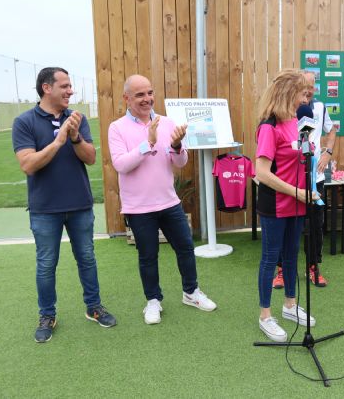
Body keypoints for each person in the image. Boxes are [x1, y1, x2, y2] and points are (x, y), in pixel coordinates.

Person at [12, 67, 117, 343]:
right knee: (46, 264)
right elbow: (28, 164)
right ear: (47, 88)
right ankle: (47, 315)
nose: (71, 91)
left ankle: (93, 307)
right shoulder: (24, 122)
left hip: (80, 206)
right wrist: (58, 142)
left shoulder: (77, 119)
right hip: (45, 209)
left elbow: (91, 158)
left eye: (71, 86)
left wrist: (74, 137)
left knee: (87, 259)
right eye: (65, 86)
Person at [108, 74, 216, 325]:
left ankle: (191, 292)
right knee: (148, 256)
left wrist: (177, 146)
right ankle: (153, 301)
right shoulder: (117, 128)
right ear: (126, 98)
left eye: (149, 93)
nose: (147, 99)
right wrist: (148, 143)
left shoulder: (167, 123)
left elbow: (179, 162)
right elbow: (121, 164)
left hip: (169, 202)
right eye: (139, 95)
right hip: (138, 207)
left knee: (186, 248)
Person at [255, 68, 318, 342]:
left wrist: (317, 164)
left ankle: (290, 305)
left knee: (292, 255)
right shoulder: (268, 126)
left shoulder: (300, 120)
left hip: (299, 201)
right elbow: (262, 173)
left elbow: (305, 157)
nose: (308, 95)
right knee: (271, 258)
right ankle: (265, 316)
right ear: (288, 92)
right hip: (276, 204)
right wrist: (296, 192)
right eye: (303, 90)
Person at [272, 71, 336, 289]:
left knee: (315, 226)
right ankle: (281, 269)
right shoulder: (284, 112)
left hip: (314, 178)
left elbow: (331, 130)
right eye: (304, 86)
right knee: (286, 226)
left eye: (312, 86)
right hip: (290, 180)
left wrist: (328, 152)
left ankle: (313, 267)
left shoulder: (317, 108)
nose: (308, 90)